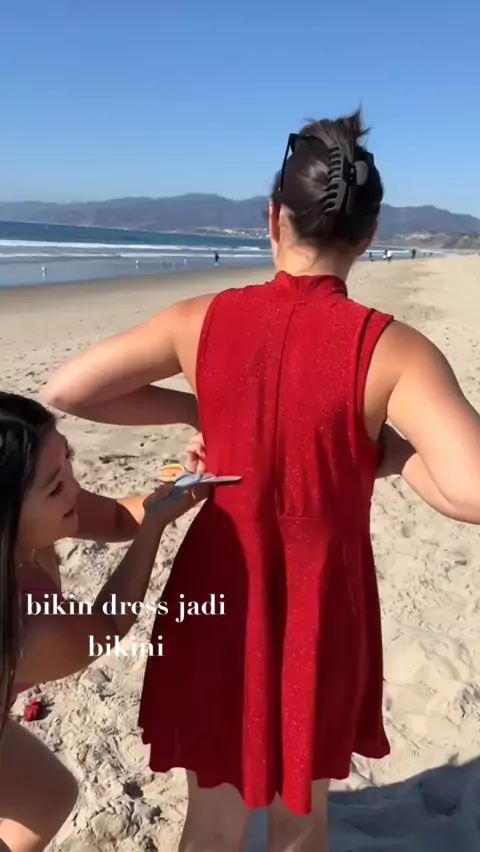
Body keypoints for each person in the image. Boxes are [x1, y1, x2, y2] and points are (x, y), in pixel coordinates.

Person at [43, 110, 480, 852]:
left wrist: (201, 406)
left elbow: (69, 388)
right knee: (299, 823)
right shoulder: (390, 348)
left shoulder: (202, 319)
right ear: (369, 235)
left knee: (211, 822)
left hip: (218, 588)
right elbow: (469, 489)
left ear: (272, 219)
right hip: (322, 604)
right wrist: (390, 453)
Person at [0, 391, 208, 852]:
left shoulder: (28, 516)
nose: (75, 488)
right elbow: (106, 625)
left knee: (47, 795)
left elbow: (114, 518)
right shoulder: (28, 628)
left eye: (68, 462)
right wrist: (154, 528)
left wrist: (180, 490)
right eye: (55, 487)